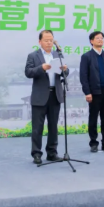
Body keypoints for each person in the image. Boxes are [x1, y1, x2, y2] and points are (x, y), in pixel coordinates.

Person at [24, 30, 68, 164]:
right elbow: (28, 72)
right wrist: (42, 68)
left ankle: (52, 153)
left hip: (55, 94)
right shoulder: (33, 56)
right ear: (40, 42)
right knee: (37, 127)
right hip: (40, 96)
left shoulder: (57, 54)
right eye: (46, 40)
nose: (49, 43)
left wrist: (65, 70)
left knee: (53, 126)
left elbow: (65, 73)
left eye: (51, 40)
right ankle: (36, 154)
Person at [80, 31, 104, 153]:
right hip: (94, 92)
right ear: (91, 41)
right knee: (93, 118)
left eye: (102, 38)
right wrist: (87, 92)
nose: (100, 40)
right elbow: (83, 76)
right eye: (97, 38)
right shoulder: (86, 56)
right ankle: (93, 143)